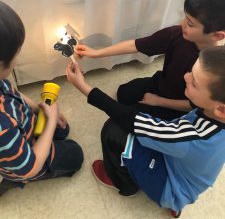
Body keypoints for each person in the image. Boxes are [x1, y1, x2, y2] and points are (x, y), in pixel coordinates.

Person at [66, 45, 225, 217]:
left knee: (113, 130)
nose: (185, 77)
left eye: (194, 82)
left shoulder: (192, 137)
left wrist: (83, 87)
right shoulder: (214, 115)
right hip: (187, 173)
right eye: (191, 72)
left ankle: (122, 184)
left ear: (221, 110)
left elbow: (132, 121)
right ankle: (177, 199)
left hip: (171, 185)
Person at [74, 0, 225, 120]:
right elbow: (136, 45)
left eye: (191, 24)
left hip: (179, 108)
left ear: (217, 36)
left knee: (121, 122)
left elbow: (197, 107)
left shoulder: (214, 70)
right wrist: (97, 53)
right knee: (123, 93)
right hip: (161, 83)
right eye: (185, 17)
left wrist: (159, 101)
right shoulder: (177, 34)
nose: (182, 23)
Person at [0, 1, 83, 195]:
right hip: (26, 161)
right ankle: (12, 181)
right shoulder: (2, 128)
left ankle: (43, 135)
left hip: (23, 127)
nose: (17, 57)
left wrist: (39, 109)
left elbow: (14, 93)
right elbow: (31, 166)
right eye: (16, 52)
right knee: (75, 154)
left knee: (64, 129)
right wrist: (51, 120)